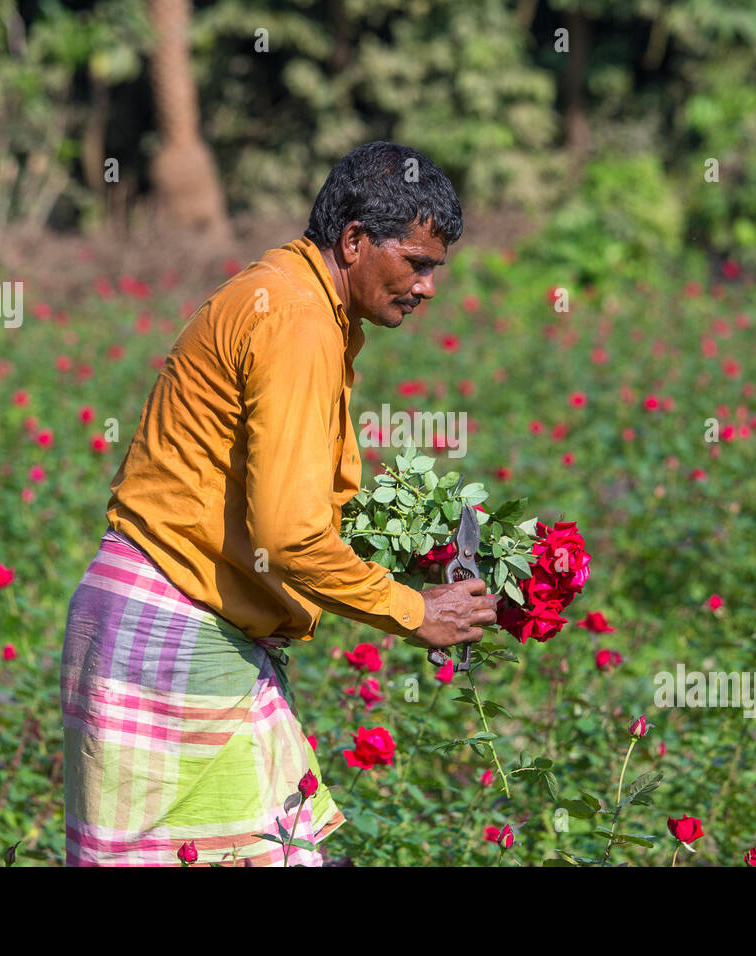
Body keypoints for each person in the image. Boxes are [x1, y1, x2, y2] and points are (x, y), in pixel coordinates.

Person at [60, 141, 498, 866]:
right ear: (354, 242)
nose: (427, 288)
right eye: (416, 264)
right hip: (177, 627)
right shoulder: (296, 319)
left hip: (172, 618)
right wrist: (416, 612)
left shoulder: (290, 297)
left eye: (434, 269)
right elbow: (289, 537)